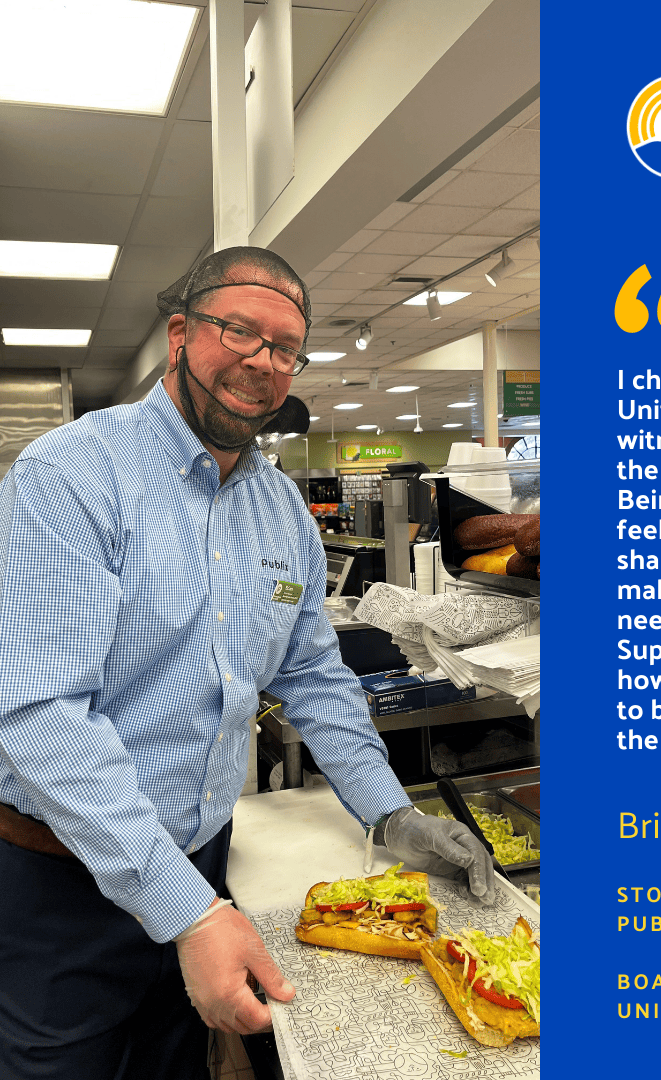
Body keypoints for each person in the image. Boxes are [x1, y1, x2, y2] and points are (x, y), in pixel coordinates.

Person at [0, 247, 494, 1080]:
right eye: (240, 331)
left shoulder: (280, 511)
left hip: (203, 864)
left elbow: (313, 677)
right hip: (64, 885)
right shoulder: (73, 475)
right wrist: (187, 914)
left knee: (173, 1063)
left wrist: (390, 813)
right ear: (184, 332)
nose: (261, 362)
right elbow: (39, 716)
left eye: (285, 348)